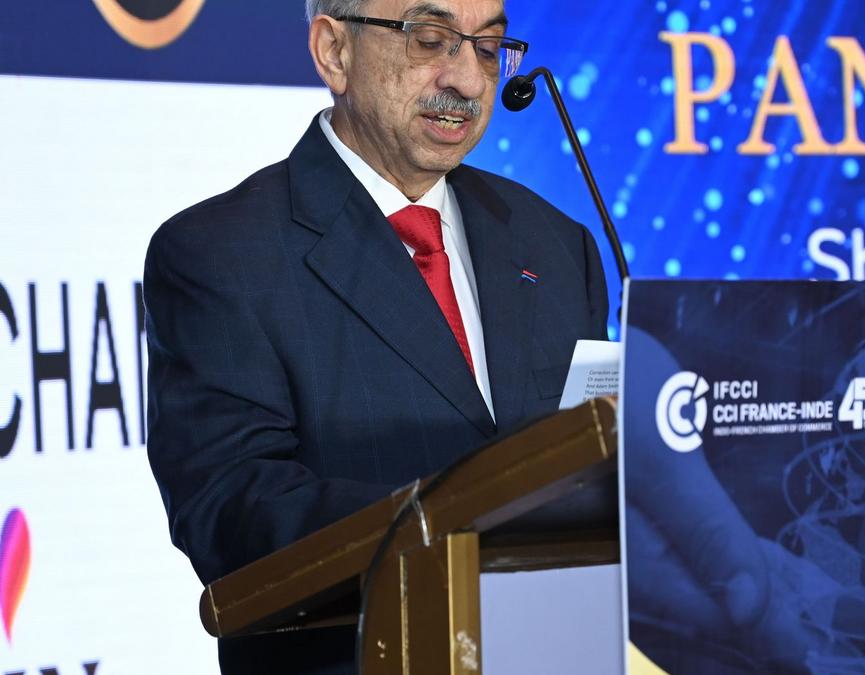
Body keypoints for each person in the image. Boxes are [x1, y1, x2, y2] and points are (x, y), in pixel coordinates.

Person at [143, 1, 608, 673]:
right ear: (334, 51)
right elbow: (231, 514)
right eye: (431, 39)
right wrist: (464, 518)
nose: (468, 81)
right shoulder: (220, 254)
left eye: (487, 47)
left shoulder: (556, 244)